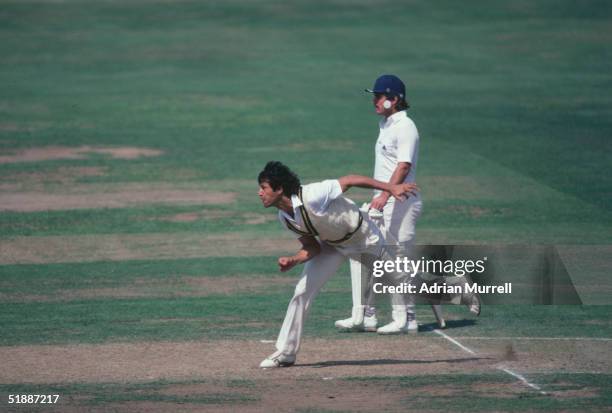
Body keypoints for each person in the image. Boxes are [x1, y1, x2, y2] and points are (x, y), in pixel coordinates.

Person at [257, 161, 478, 368]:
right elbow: (311, 247)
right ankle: (286, 352)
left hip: (364, 239)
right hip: (332, 247)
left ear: (279, 189)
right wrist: (294, 260)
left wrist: (390, 188)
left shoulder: (313, 194)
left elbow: (351, 180)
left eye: (263, 188)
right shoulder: (284, 217)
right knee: (302, 291)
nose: (259, 193)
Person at [335, 74, 425, 334]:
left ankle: (407, 319)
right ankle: (367, 315)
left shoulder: (405, 127)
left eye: (379, 96)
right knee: (367, 255)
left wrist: (385, 196)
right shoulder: (386, 125)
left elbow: (404, 165)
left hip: (401, 202)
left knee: (398, 258)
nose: (374, 100)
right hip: (384, 200)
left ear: (394, 99)